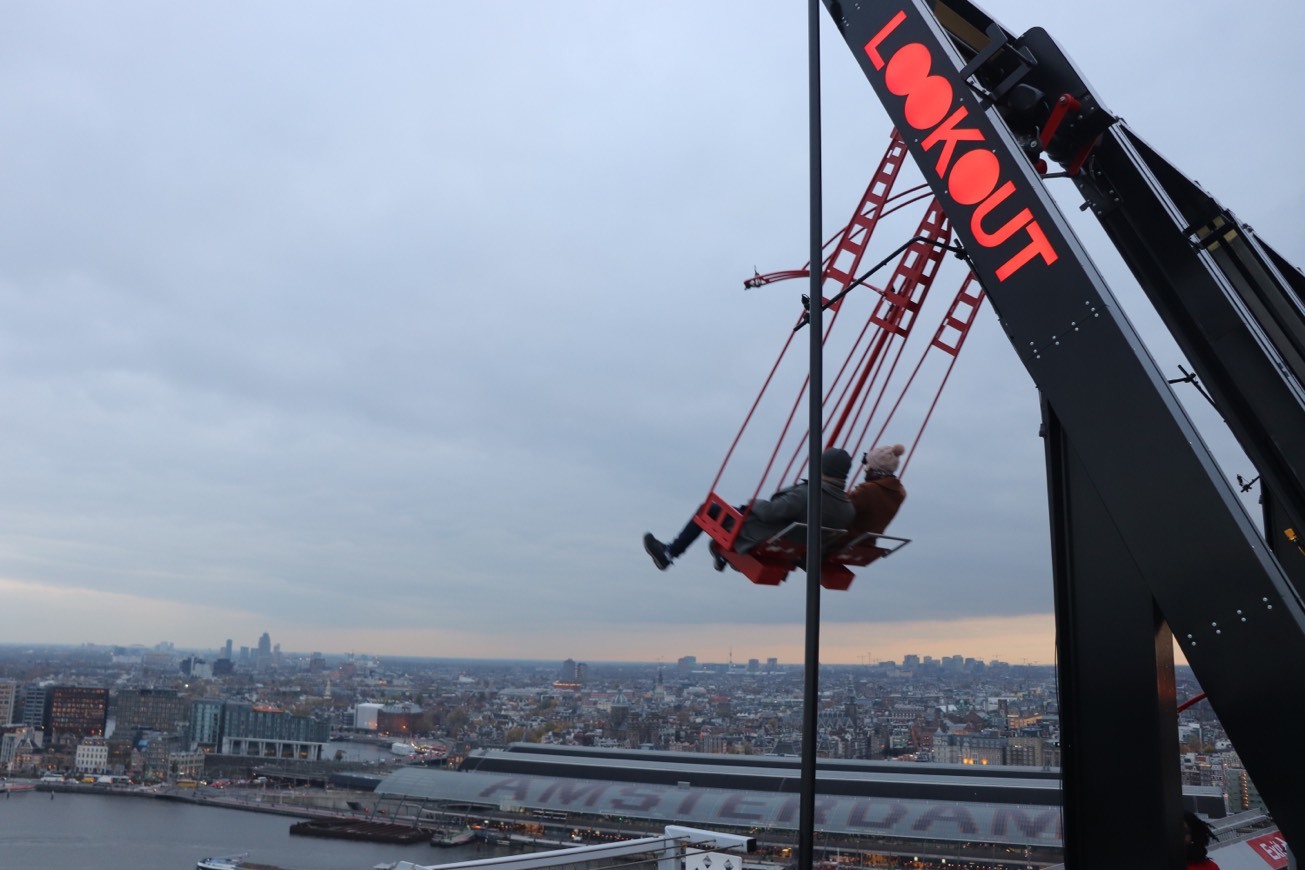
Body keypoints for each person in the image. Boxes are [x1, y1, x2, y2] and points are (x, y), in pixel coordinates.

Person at [644, 447, 857, 572]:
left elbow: (771, 511)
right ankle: (723, 555)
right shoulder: (847, 508)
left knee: (709, 510)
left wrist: (755, 502)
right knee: (729, 520)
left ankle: (669, 553)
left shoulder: (808, 495)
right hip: (796, 547)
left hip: (764, 537)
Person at [841, 443, 907, 546]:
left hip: (846, 540)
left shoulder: (867, 490)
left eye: (867, 463)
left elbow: (841, 511)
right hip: (869, 542)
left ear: (873, 467)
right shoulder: (899, 492)